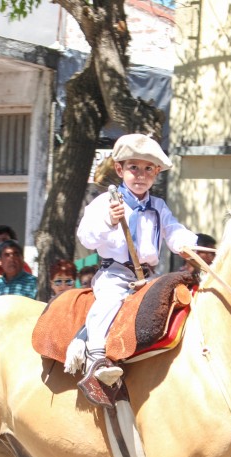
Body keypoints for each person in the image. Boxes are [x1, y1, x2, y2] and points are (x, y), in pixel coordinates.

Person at [75, 133, 196, 407]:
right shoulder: (106, 203)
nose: (141, 175)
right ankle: (95, 360)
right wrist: (109, 220)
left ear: (156, 173)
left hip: (149, 276)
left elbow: (173, 230)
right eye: (134, 168)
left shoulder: (159, 206)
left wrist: (187, 244)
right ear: (120, 170)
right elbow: (86, 237)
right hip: (115, 274)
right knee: (108, 303)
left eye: (148, 169)